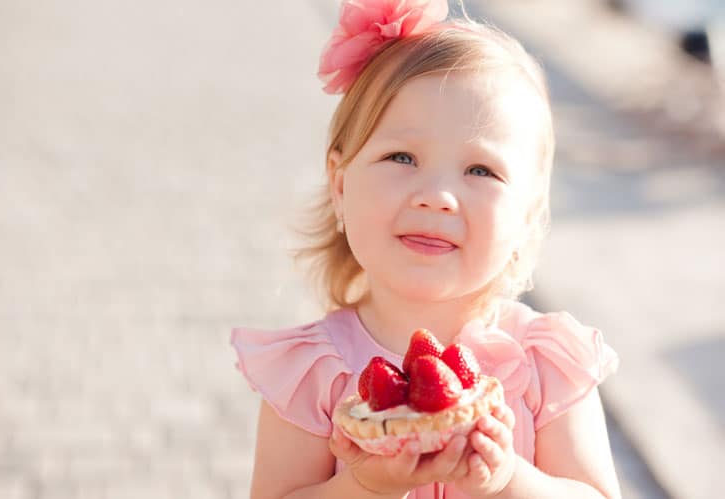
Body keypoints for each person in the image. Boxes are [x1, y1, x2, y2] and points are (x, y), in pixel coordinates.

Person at [231, 0, 622, 497]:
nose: (436, 197)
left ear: (528, 212)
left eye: (481, 170)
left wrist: (506, 480)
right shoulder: (312, 373)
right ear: (340, 184)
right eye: (402, 157)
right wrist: (364, 485)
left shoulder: (545, 364)